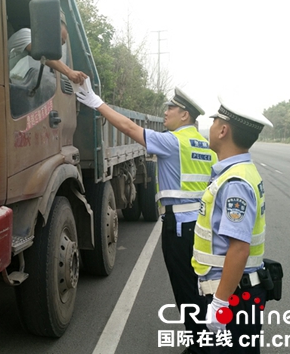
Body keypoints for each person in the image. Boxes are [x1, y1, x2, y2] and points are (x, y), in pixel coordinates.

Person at [76, 85, 216, 354]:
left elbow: (128, 127)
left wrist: (96, 102)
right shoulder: (205, 146)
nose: (165, 113)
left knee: (186, 290)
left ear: (185, 115)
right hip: (201, 227)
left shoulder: (173, 141)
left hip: (178, 228)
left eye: (170, 109)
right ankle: (206, 342)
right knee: (202, 289)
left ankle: (200, 348)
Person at [191, 96, 273, 353]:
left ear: (224, 130)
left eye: (215, 120)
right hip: (236, 291)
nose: (212, 124)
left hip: (233, 295)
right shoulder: (238, 172)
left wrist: (220, 303)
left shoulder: (235, 181)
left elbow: (239, 248)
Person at [7, 22, 87, 85]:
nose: (58, 47)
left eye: (61, 44)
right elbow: (41, 53)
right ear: (49, 30)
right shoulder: (26, 34)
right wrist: (69, 72)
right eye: (59, 40)